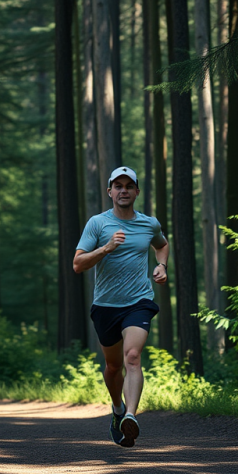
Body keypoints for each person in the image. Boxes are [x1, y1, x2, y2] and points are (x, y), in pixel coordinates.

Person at [73, 166, 169, 447]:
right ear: (110, 192)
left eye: (129, 186)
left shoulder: (149, 224)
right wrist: (105, 249)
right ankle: (117, 409)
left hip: (138, 301)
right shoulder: (97, 224)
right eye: (118, 186)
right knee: (113, 367)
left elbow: (162, 245)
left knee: (132, 357)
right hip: (105, 305)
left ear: (137, 191)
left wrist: (162, 265)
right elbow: (78, 264)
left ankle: (130, 416)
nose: (124, 190)